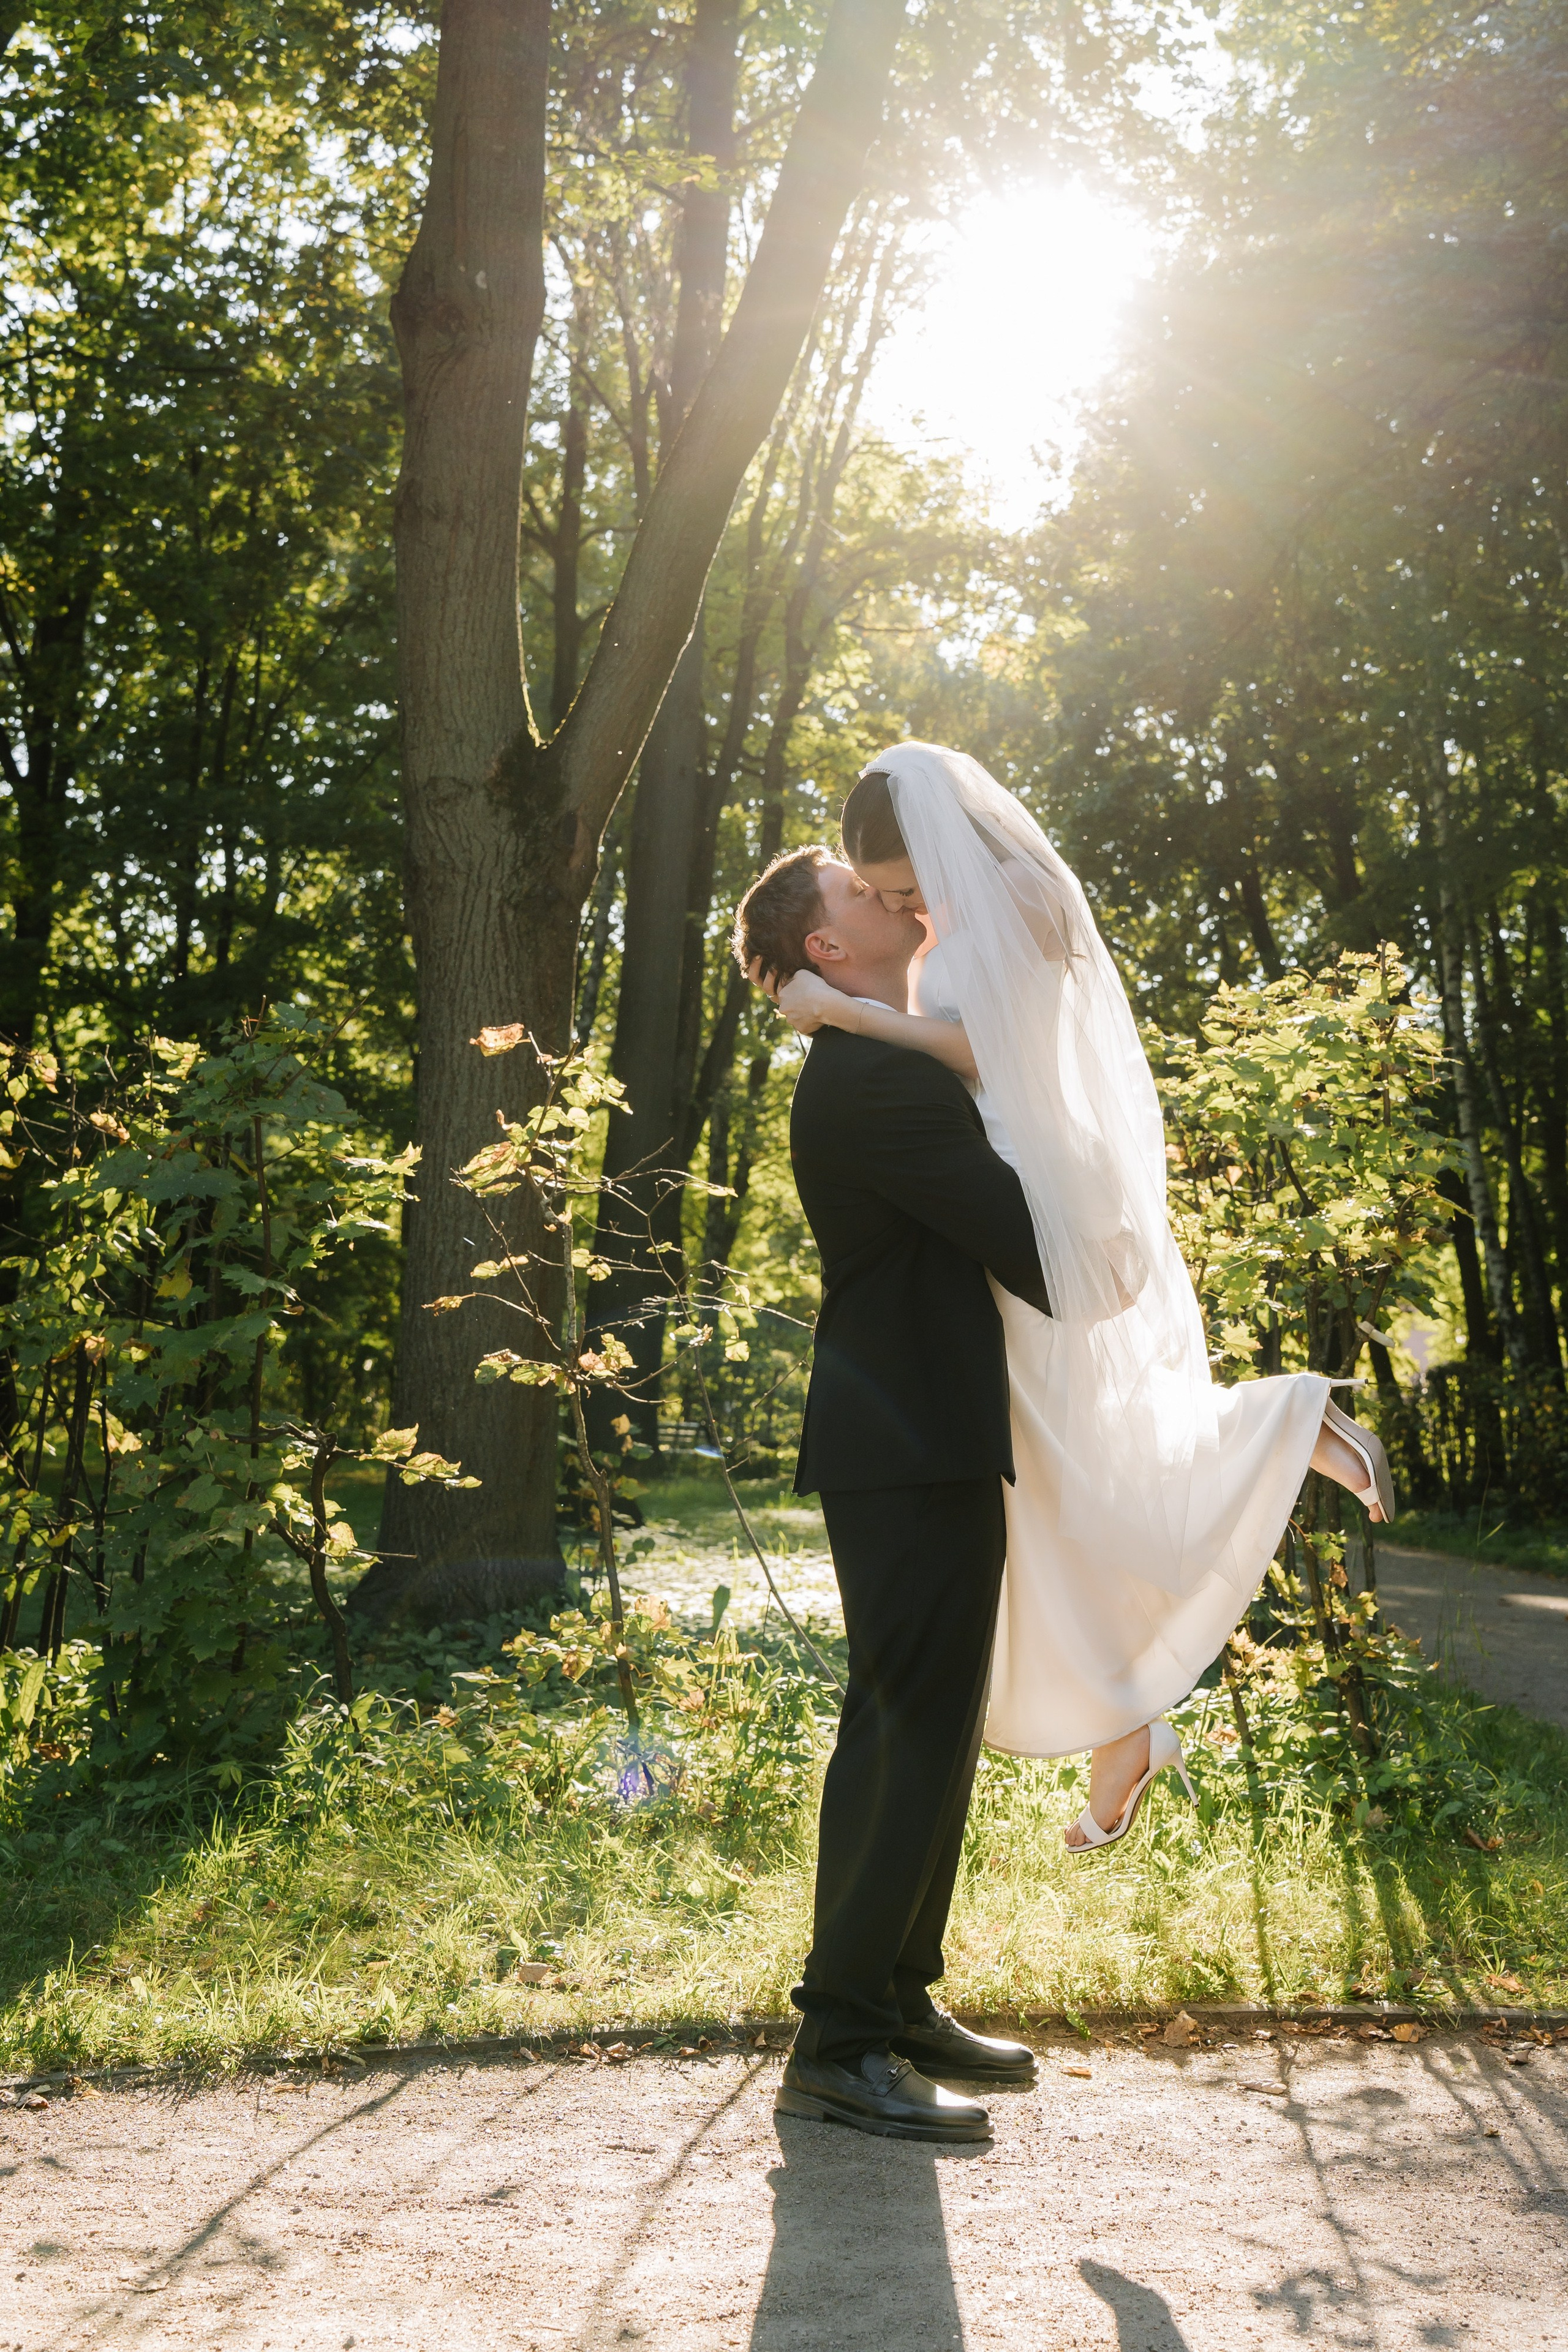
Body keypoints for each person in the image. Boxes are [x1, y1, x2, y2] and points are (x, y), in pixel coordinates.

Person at [753, 740, 1395, 1856]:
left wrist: (844, 1017)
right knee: (1058, 1470)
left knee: (1066, 1455)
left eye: (900, 887)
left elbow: (992, 1053)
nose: (905, 907)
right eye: (886, 896)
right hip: (991, 1184)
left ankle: (1281, 1424)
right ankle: (1129, 1723)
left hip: (1020, 1187)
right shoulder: (956, 911)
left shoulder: (1025, 897)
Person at [731, 845, 1052, 2144]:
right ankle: (839, 2037)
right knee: (900, 1727)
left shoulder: (883, 1050)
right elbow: (1037, 1246)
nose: (887, 891)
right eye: (857, 892)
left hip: (925, 1434)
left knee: (930, 1722)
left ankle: (898, 1998)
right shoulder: (872, 1081)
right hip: (902, 1441)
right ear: (826, 949)